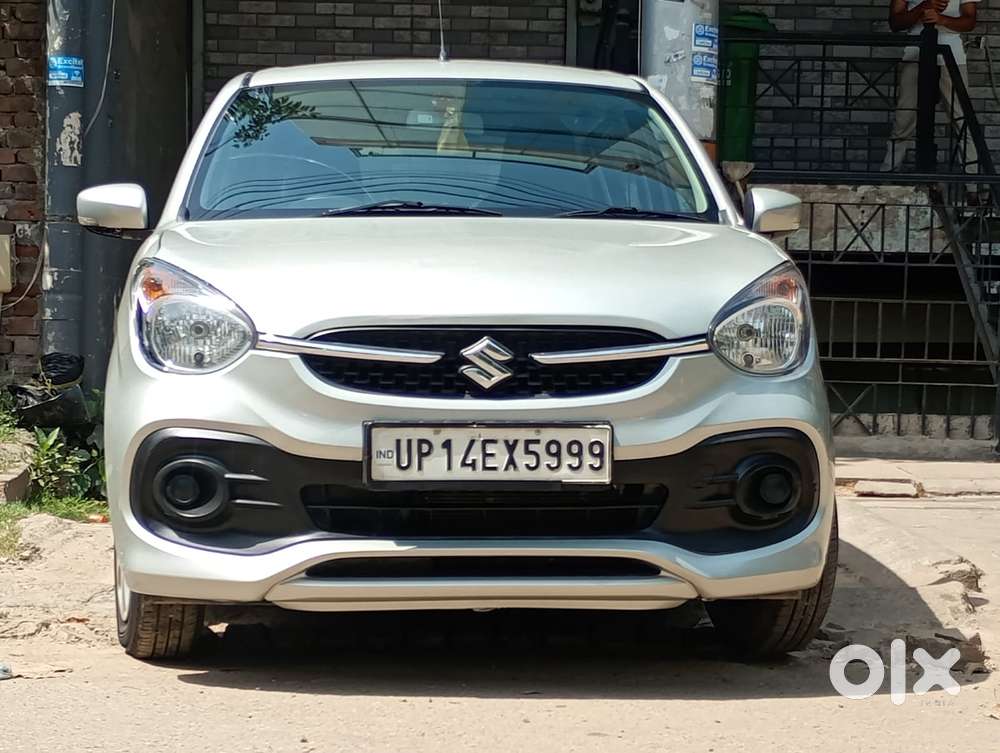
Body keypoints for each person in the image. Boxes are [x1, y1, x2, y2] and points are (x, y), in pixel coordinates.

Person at [881, 0, 980, 174]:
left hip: (952, 57)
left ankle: (973, 186)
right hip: (915, 54)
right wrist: (923, 7)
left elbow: (970, 21)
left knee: (963, 120)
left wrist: (941, 19)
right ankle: (887, 178)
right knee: (904, 118)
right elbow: (895, 23)